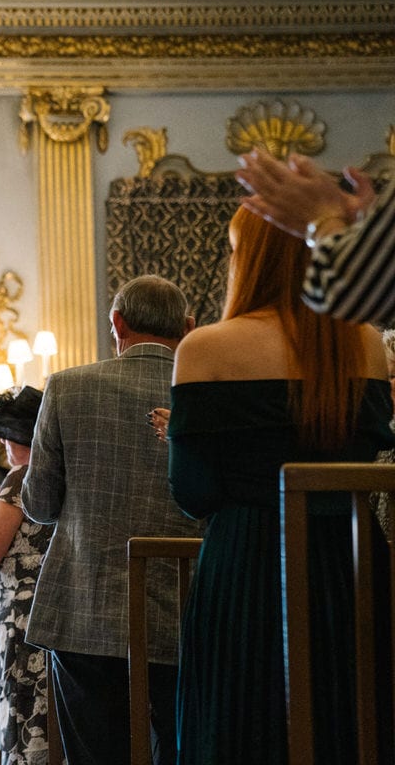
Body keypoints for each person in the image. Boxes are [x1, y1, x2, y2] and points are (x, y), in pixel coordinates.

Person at [169, 206, 393, 765]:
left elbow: (192, 491)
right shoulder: (365, 343)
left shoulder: (205, 349)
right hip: (352, 562)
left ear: (249, 259)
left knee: (241, 727)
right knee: (350, 725)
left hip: (249, 564)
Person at [22, 274, 202, 765]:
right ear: (188, 327)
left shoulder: (66, 387)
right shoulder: (206, 398)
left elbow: (38, 504)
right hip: (182, 616)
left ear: (116, 323)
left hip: (84, 610)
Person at [0, 386, 52, 765]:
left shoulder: (20, 478)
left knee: (24, 709)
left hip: (22, 616)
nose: (3, 442)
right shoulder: (58, 475)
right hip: (53, 609)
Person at [235, 146, 395, 324]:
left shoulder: (212, 340)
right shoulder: (369, 340)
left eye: (236, 249)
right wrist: (364, 231)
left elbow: (349, 290)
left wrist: (324, 221)